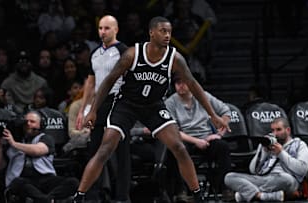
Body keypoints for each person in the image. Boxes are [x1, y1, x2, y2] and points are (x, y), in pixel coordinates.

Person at [73, 16, 230, 203]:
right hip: (127, 105)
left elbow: (193, 84)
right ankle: (79, 196)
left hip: (153, 106)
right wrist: (93, 110)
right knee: (105, 149)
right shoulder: (132, 54)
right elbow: (108, 81)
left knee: (179, 147)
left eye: (169, 32)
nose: (167, 35)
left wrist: (212, 114)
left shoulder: (175, 58)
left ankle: (197, 195)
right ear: (151, 32)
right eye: (163, 31)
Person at [75, 15, 130, 202]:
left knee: (121, 151)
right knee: (94, 150)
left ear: (116, 30)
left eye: (107, 28)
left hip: (119, 101)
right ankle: (92, 196)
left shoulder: (124, 51)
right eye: (100, 28)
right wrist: (84, 110)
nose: (102, 32)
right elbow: (90, 83)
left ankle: (123, 196)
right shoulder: (95, 54)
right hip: (99, 104)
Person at [165, 77, 232, 200]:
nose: (180, 86)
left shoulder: (203, 96)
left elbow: (226, 111)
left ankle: (224, 187)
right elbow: (173, 130)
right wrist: (197, 141)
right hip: (185, 139)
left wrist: (218, 135)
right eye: (177, 83)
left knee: (223, 147)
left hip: (207, 137)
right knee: (175, 149)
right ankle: (181, 190)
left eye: (183, 82)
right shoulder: (170, 102)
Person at [0, 111, 79, 203]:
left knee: (73, 182)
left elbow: (37, 151)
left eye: (32, 121)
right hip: (22, 180)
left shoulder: (46, 138)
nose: (28, 124)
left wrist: (14, 143)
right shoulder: (12, 141)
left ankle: (46, 199)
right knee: (17, 183)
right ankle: (46, 200)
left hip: (45, 178)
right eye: (26, 122)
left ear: (40, 125)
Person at [224, 117, 308, 202]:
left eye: (278, 130)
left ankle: (247, 194)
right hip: (264, 179)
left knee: (286, 179)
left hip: (285, 180)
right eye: (273, 130)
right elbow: (253, 170)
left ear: (288, 130)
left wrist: (281, 153)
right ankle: (262, 196)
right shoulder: (267, 143)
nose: (275, 133)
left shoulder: (299, 145)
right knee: (229, 177)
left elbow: (302, 170)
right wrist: (264, 152)